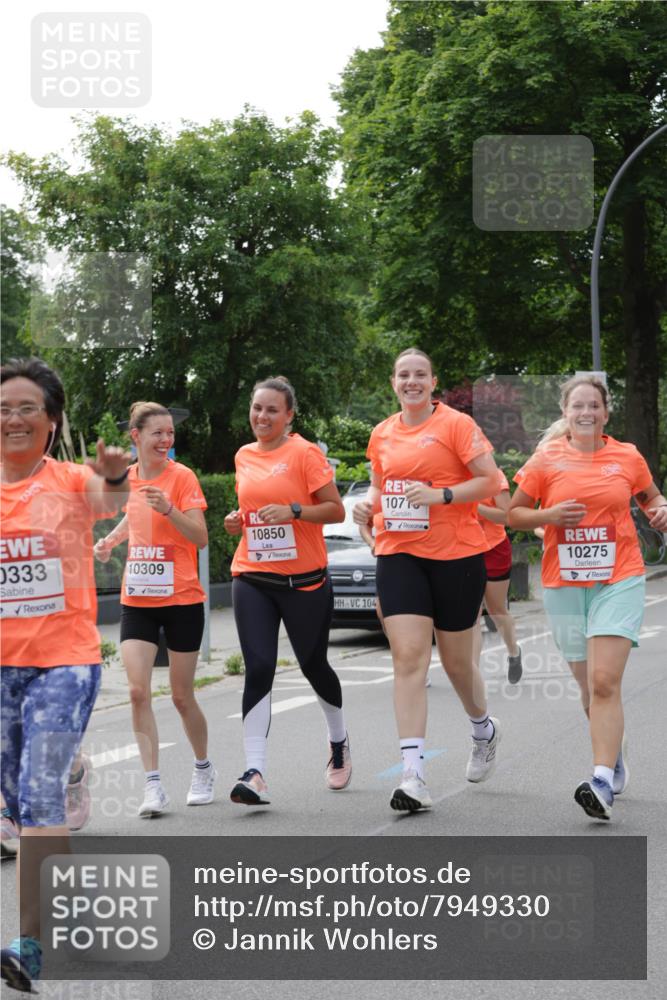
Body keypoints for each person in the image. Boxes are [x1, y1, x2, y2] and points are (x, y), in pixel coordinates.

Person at [0, 357, 130, 992]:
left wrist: (114, 475)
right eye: (3, 409)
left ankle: (28, 941)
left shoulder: (72, 481)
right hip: (2, 669)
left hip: (64, 662)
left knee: (38, 793)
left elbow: (111, 499)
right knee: (20, 804)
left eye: (26, 408)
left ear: (50, 422)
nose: (13, 418)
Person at [509, 374, 667, 821]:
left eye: (593, 406)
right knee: (586, 686)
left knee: (603, 682)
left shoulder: (627, 456)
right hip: (564, 584)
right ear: (565, 413)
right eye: (577, 406)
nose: (585, 413)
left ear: (605, 413)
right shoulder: (546, 459)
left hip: (619, 577)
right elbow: (514, 513)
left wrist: (661, 512)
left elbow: (652, 497)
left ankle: (599, 780)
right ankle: (612, 754)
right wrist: (550, 514)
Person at [353, 348, 502, 812]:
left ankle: (483, 728)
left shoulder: (455, 425)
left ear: (433, 382)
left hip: (457, 554)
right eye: (403, 375)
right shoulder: (382, 433)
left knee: (458, 666)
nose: (411, 381)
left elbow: (492, 481)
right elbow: (382, 485)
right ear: (393, 383)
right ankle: (413, 775)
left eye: (420, 374)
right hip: (399, 553)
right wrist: (367, 505)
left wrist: (441, 495)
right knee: (409, 659)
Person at [223, 376, 351, 806]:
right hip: (252, 575)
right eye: (257, 408)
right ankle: (255, 771)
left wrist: (295, 511)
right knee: (259, 666)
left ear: (289, 415)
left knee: (314, 665)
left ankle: (338, 741)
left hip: (304, 581)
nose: (262, 416)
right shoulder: (243, 455)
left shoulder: (305, 453)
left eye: (272, 410)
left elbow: (335, 509)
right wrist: (236, 521)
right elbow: (249, 508)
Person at [94, 402, 213, 817]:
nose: (166, 440)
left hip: (181, 599)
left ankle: (202, 768)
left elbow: (200, 536)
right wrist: (111, 541)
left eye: (170, 434)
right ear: (136, 437)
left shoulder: (183, 478)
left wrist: (169, 509)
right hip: (138, 599)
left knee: (181, 696)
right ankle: (153, 786)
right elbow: (132, 518)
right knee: (136, 691)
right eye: (157, 433)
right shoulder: (127, 479)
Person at [475, 470, 522, 684]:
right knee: (470, 614)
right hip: (465, 549)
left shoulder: (493, 475)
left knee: (496, 610)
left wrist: (474, 507)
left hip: (494, 548)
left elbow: (507, 516)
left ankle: (514, 652)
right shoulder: (451, 474)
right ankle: (472, 672)